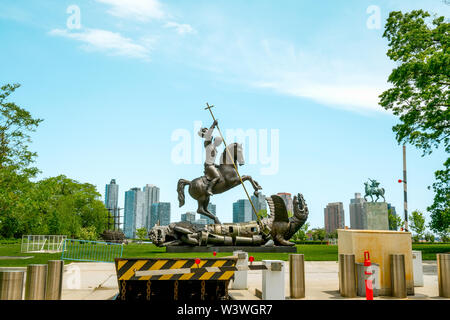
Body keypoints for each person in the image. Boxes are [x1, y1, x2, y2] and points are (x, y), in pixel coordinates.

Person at [198, 119, 223, 195]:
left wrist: (219, 165)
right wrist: (213, 125)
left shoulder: (214, 147)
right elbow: (209, 134)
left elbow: (211, 160)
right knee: (217, 177)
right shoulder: (207, 143)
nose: (219, 143)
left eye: (219, 142)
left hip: (212, 165)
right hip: (208, 166)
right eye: (218, 142)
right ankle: (209, 189)